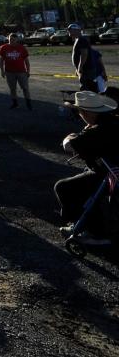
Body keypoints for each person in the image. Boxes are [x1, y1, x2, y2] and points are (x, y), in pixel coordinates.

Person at [55, 91, 119, 246]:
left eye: (79, 111)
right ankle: (84, 224)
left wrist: (69, 138)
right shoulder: (111, 121)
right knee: (84, 184)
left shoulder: (97, 130)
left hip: (110, 174)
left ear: (87, 112)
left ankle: (95, 233)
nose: (79, 115)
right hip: (111, 169)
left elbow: (69, 146)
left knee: (63, 187)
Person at [0, 33, 32, 109]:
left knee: (25, 88)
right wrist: (2, 71)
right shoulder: (4, 47)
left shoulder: (22, 48)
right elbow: (1, 60)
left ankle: (28, 103)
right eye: (10, 39)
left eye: (13, 39)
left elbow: (26, 61)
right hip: (9, 72)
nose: (11, 41)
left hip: (21, 72)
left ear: (17, 40)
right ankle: (15, 103)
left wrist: (28, 71)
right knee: (12, 89)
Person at [69, 24, 98, 93]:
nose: (69, 31)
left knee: (88, 87)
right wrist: (77, 68)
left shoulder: (82, 40)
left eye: (71, 30)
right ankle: (88, 101)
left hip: (87, 69)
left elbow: (84, 54)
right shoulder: (77, 39)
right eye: (69, 30)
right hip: (83, 68)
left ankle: (92, 101)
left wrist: (80, 66)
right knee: (84, 86)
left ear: (77, 31)